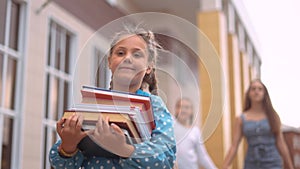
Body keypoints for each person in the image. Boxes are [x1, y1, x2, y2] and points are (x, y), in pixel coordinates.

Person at [49, 27, 176, 168]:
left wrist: (123, 149)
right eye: (120, 53)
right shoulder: (94, 102)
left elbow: (166, 161)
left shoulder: (155, 106)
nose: (127, 58)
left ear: (148, 67)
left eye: (137, 55)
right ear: (109, 62)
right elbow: (60, 163)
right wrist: (68, 146)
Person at [223, 79, 294, 169]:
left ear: (264, 94)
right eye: (253, 89)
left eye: (260, 89)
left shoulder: (273, 116)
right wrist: (225, 165)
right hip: (252, 163)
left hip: (272, 162)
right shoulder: (241, 119)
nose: (256, 91)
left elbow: (281, 143)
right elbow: (234, 145)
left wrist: (290, 166)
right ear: (248, 94)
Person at [174, 98, 217, 169]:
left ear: (191, 111)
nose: (183, 110)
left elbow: (202, 156)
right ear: (176, 109)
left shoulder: (195, 131)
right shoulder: (171, 126)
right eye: (180, 107)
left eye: (186, 107)